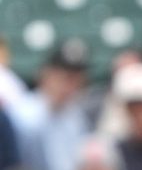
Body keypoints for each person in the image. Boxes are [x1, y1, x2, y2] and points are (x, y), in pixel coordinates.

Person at [11, 38, 92, 170]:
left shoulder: (76, 116)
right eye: (66, 78)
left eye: (77, 79)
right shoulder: (22, 114)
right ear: (45, 74)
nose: (70, 87)